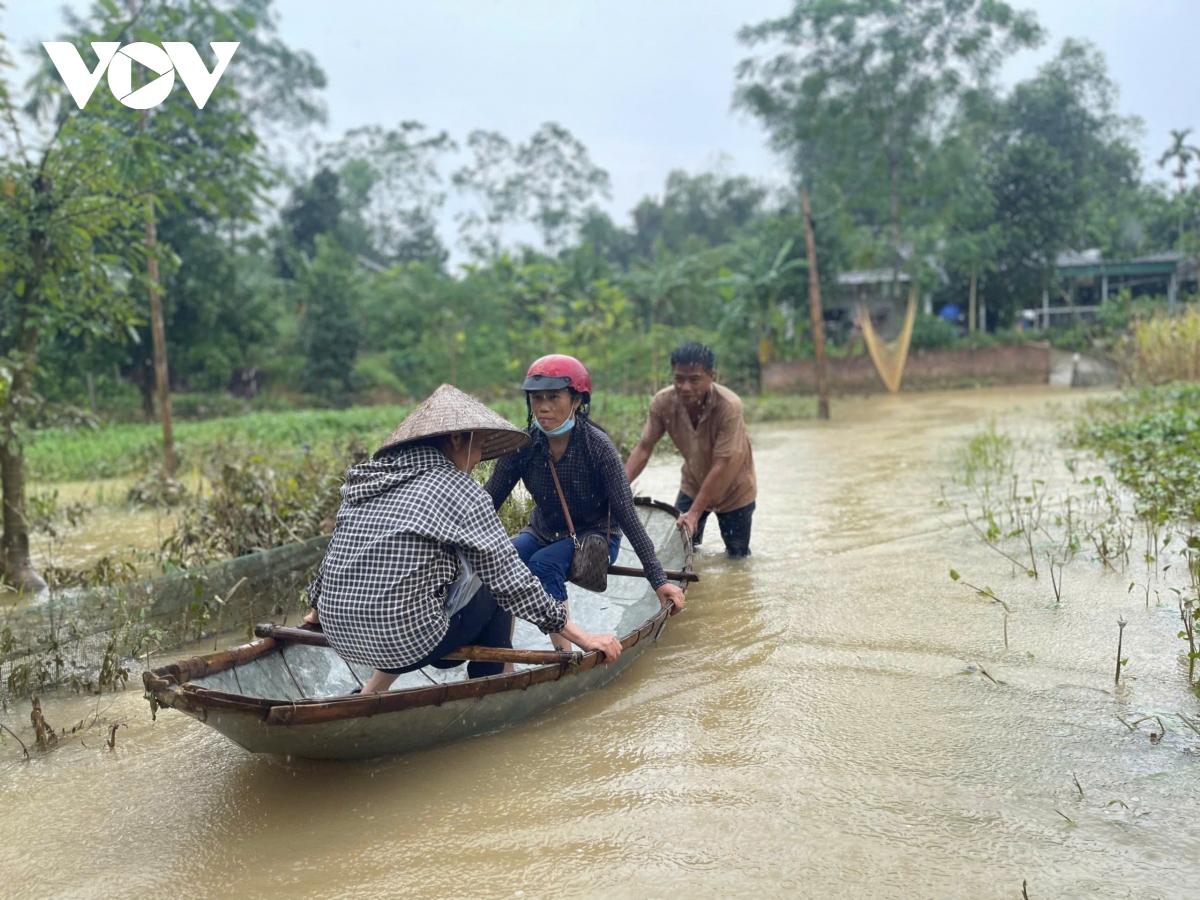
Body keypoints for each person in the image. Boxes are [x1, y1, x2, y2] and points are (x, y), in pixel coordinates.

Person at [305, 384, 623, 695]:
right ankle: (495, 688)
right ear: (458, 440)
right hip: (407, 642)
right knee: (494, 585)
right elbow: (512, 583)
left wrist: (316, 610)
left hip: (340, 633)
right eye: (481, 445)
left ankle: (370, 691)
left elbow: (338, 552)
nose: (479, 457)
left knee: (440, 576)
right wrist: (583, 638)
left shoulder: (368, 479)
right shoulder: (462, 493)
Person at [485, 355, 686, 651]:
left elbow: (628, 517)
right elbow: (487, 502)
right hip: (543, 531)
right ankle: (504, 653)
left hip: (594, 538)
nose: (543, 406)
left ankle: (564, 654)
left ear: (577, 401)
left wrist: (658, 580)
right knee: (500, 563)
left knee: (544, 564)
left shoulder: (597, 447)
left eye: (554, 397)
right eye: (537, 398)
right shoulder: (523, 447)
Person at [626, 342, 757, 557]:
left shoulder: (729, 407)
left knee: (738, 557)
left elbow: (721, 464)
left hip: (735, 489)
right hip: (693, 484)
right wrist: (617, 489)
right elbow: (644, 448)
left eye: (694, 379)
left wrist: (695, 513)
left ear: (711, 376)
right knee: (679, 550)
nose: (685, 387)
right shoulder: (662, 403)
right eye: (679, 379)